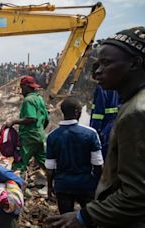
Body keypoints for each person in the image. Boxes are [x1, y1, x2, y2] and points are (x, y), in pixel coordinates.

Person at [46, 27, 145, 227]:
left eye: (106, 63)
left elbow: (137, 194)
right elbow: (99, 164)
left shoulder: (136, 113)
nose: (97, 71)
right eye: (97, 63)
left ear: (135, 63)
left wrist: (84, 216)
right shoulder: (127, 105)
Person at [46, 97, 103, 215]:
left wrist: (50, 187)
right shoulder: (90, 134)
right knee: (89, 218)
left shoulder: (52, 136)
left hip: (63, 186)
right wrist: (99, 186)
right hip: (85, 185)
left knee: (66, 219)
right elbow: (98, 165)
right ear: (78, 112)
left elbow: (50, 168)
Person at [7, 76, 49, 174]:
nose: (21, 91)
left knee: (19, 163)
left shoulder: (28, 100)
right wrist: (40, 130)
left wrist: (13, 122)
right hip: (40, 136)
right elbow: (46, 118)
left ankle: (15, 187)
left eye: (22, 88)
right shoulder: (39, 99)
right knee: (44, 162)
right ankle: (54, 184)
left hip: (28, 137)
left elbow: (31, 118)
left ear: (26, 86)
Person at [90, 84, 120, 159]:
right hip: (118, 124)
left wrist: (94, 131)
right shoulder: (123, 85)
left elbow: (98, 113)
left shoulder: (102, 87)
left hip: (105, 127)